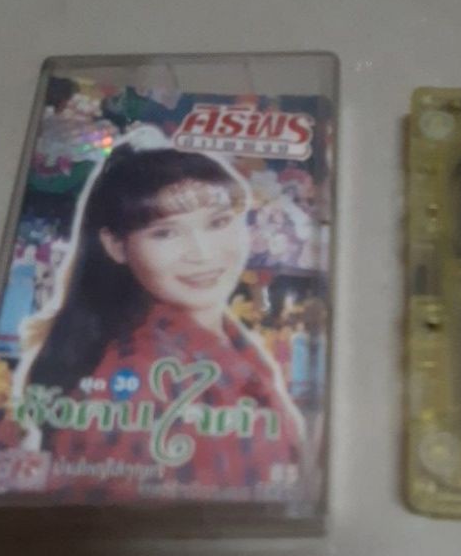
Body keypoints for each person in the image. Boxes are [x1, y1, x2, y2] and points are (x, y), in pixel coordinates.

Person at [16, 127, 303, 501]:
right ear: (116, 246)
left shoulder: (228, 344)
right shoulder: (138, 377)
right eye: (165, 233)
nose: (202, 253)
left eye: (218, 222)